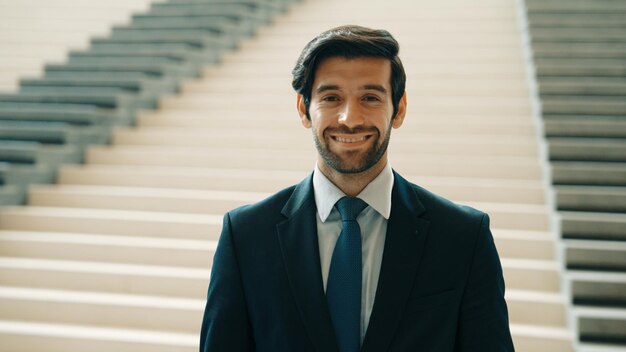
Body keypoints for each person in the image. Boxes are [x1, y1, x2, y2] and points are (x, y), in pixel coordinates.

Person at [200, 25, 515, 351]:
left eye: (370, 97)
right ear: (303, 109)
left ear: (399, 108)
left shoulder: (464, 237)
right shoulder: (246, 235)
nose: (350, 118)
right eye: (331, 97)